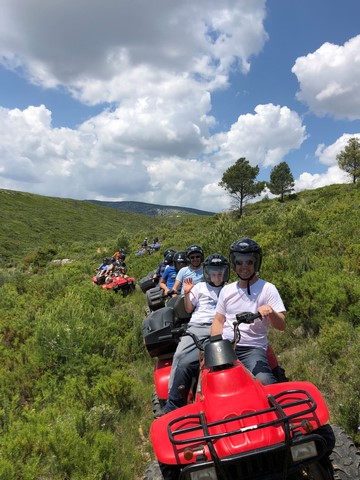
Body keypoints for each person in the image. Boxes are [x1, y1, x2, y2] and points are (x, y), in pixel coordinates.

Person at [210, 238, 286, 385]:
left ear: (256, 263)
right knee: (209, 385)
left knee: (264, 382)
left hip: (252, 348)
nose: (244, 266)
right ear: (234, 264)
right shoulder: (227, 290)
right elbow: (219, 320)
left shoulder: (267, 289)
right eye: (239, 262)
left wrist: (271, 312)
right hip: (225, 346)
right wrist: (216, 344)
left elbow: (282, 325)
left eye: (249, 262)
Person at [162, 254, 230, 413]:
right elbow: (188, 309)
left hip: (222, 326)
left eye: (220, 273)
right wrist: (186, 293)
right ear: (207, 273)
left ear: (225, 273)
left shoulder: (229, 289)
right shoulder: (199, 287)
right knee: (180, 357)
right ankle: (172, 401)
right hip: (198, 326)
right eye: (213, 273)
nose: (217, 277)